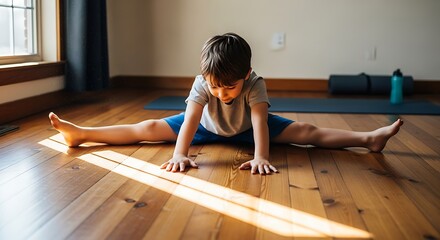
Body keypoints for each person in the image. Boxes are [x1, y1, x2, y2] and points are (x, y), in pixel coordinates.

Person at [49, 33, 403, 175]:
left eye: (228, 87)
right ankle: (82, 134)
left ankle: (369, 139)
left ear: (246, 74)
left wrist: (262, 156)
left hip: (248, 131)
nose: (222, 93)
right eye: (215, 87)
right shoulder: (205, 83)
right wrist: (179, 153)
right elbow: (189, 120)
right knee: (147, 129)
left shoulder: (255, 84)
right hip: (206, 129)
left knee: (307, 131)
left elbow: (261, 124)